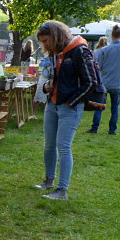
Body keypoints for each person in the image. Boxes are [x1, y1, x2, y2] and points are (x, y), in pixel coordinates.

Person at [34, 20, 96, 200]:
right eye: (42, 42)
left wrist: (72, 101)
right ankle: (48, 181)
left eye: (46, 41)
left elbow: (91, 82)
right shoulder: (56, 53)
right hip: (52, 104)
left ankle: (62, 190)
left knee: (63, 147)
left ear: (56, 36)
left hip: (70, 107)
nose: (45, 45)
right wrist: (47, 87)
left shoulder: (80, 51)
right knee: (49, 145)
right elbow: (55, 78)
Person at [87, 25, 120, 135]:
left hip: (104, 81)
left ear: (111, 36)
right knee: (115, 107)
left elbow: (99, 66)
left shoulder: (104, 50)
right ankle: (112, 129)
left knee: (99, 105)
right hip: (117, 82)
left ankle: (94, 128)